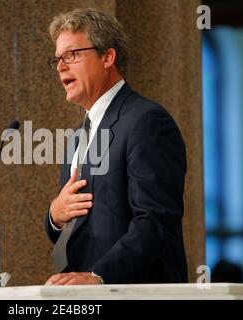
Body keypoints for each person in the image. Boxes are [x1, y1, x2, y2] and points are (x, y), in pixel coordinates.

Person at [44, 8, 188, 285]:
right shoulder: (78, 136)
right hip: (83, 298)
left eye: (71, 55)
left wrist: (98, 276)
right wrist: (56, 216)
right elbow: (79, 231)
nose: (61, 66)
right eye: (57, 58)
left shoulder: (146, 121)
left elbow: (156, 220)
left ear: (107, 57)